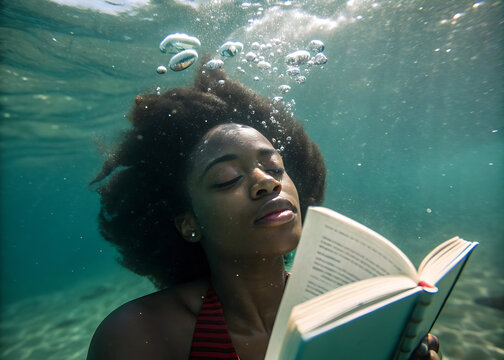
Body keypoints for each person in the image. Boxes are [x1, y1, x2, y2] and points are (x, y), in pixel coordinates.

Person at [87, 67, 441, 360]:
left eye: (274, 167)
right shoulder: (138, 335)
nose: (266, 183)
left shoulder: (355, 311)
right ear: (189, 224)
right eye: (227, 179)